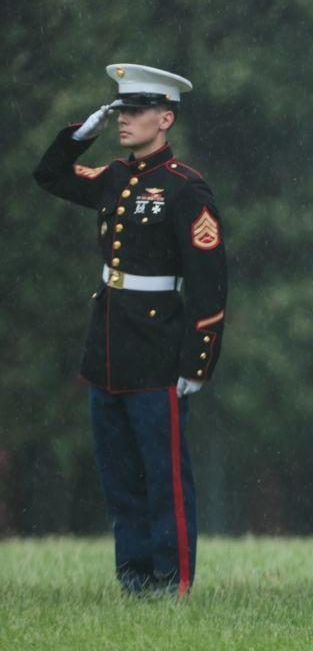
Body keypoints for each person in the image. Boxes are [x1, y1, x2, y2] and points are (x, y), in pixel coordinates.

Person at [33, 64, 227, 596]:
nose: (125, 120)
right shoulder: (115, 176)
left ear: (165, 118)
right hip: (108, 346)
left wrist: (198, 363)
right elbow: (49, 176)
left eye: (136, 112)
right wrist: (79, 136)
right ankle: (134, 580)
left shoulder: (186, 188)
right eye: (121, 111)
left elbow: (210, 284)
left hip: (157, 347)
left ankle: (172, 581)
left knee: (163, 478)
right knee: (119, 479)